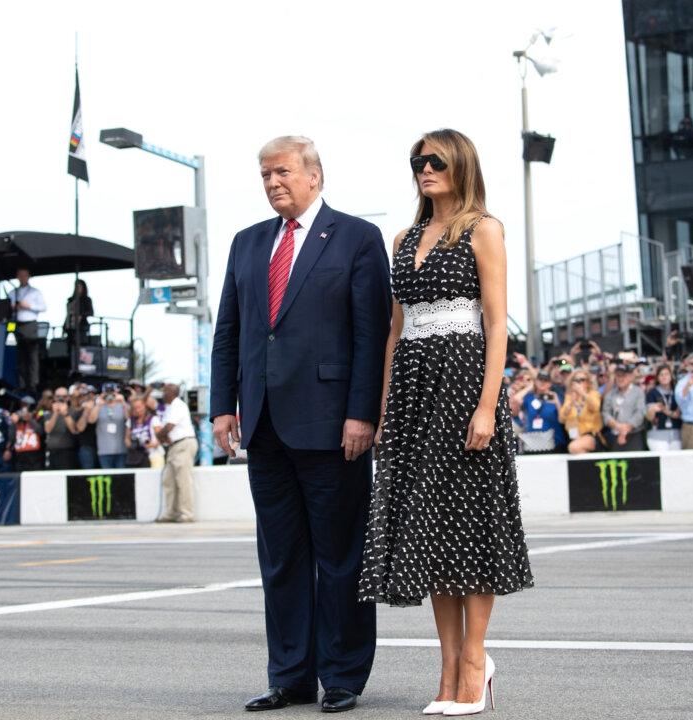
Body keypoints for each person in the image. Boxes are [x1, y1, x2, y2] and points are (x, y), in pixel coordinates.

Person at [211, 135, 392, 714]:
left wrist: (364, 412)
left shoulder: (358, 238)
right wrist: (222, 406)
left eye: (281, 172)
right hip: (262, 425)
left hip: (333, 423)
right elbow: (229, 334)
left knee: (340, 554)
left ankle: (342, 676)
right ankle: (290, 676)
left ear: (315, 175)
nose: (272, 183)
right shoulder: (247, 244)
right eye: (264, 175)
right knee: (281, 556)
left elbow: (371, 334)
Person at [356, 129, 532, 716]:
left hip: (462, 383)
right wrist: (383, 408)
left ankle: (475, 663)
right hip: (410, 389)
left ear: (460, 166)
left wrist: (489, 406)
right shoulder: (404, 238)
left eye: (435, 161)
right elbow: (395, 329)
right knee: (428, 528)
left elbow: (498, 324)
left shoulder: (484, 229)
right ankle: (448, 665)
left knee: (470, 525)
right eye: (417, 162)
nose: (424, 169)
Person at [155, 383, 198, 523]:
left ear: (172, 392)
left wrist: (159, 436)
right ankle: (170, 513)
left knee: (183, 480)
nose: (162, 394)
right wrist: (162, 436)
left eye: (165, 391)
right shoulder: (170, 407)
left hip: (183, 444)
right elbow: (166, 431)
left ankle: (186, 514)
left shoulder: (178, 405)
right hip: (175, 445)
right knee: (169, 480)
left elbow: (168, 427)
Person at [9, 267, 47, 392]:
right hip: (16, 324)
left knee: (31, 355)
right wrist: (14, 307)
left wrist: (29, 306)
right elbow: (7, 307)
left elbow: (43, 307)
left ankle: (33, 383)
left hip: (30, 324)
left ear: (28, 276)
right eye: (20, 275)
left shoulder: (35, 292)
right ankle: (21, 383)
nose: (22, 278)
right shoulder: (13, 292)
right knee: (19, 355)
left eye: (24, 275)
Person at [602, 363, 647, 451]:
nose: (620, 379)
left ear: (630, 377)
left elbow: (640, 413)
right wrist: (617, 426)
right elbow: (605, 413)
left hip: (634, 435)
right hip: (615, 435)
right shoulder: (610, 394)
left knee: (635, 463)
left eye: (624, 376)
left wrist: (625, 429)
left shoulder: (638, 392)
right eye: (618, 376)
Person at [518, 370, 565, 453]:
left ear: (550, 383)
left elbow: (563, 419)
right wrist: (530, 386)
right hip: (532, 442)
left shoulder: (555, 397)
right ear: (536, 381)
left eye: (546, 381)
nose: (542, 383)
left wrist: (557, 402)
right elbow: (516, 400)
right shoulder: (529, 397)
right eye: (540, 380)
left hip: (553, 442)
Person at [559, 369, 604, 454]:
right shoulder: (569, 397)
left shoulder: (593, 394)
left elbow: (595, 407)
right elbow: (561, 419)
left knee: (574, 447)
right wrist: (571, 402)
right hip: (573, 436)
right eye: (576, 380)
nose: (579, 383)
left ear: (588, 382)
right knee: (575, 448)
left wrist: (583, 393)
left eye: (582, 380)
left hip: (590, 434)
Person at [90, 382, 127, 469]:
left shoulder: (121, 405)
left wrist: (123, 402)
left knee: (121, 478)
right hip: (104, 451)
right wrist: (99, 403)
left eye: (112, 392)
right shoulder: (99, 406)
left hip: (121, 450)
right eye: (107, 392)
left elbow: (129, 418)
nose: (109, 394)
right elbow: (91, 420)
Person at [645, 364, 682, 451]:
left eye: (666, 374)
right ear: (657, 378)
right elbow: (649, 418)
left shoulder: (677, 391)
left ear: (671, 376)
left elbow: (678, 414)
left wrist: (665, 410)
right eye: (661, 374)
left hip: (676, 432)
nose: (664, 377)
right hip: (657, 433)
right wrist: (652, 409)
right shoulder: (652, 393)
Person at [42, 387, 79, 470]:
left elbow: (74, 430)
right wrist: (55, 413)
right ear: (54, 397)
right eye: (58, 396)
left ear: (68, 398)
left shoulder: (73, 411)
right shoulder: (49, 413)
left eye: (64, 396)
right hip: (51, 451)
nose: (61, 399)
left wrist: (65, 414)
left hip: (68, 452)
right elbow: (48, 430)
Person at [12, 398, 45, 470]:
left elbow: (41, 431)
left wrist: (30, 419)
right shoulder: (17, 415)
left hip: (35, 454)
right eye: (23, 404)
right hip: (20, 454)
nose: (24, 407)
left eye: (27, 405)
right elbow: (11, 435)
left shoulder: (39, 414)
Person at [124, 396, 155, 469]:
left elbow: (160, 438)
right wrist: (132, 446)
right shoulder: (131, 421)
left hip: (153, 455)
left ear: (145, 406)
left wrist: (148, 445)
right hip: (136, 456)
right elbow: (126, 438)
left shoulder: (153, 419)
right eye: (135, 408)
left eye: (139, 407)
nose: (137, 410)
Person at [73, 384, 98, 469]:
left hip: (102, 446)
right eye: (81, 395)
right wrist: (87, 410)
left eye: (91, 394)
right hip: (86, 446)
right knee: (88, 475)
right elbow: (80, 428)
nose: (83, 397)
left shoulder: (100, 406)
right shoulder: (78, 411)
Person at [63, 278, 94, 345]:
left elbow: (91, 312)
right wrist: (64, 327)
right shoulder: (70, 300)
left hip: (81, 328)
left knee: (80, 346)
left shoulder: (86, 299)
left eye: (79, 286)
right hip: (70, 328)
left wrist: (81, 316)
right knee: (70, 346)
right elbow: (68, 315)